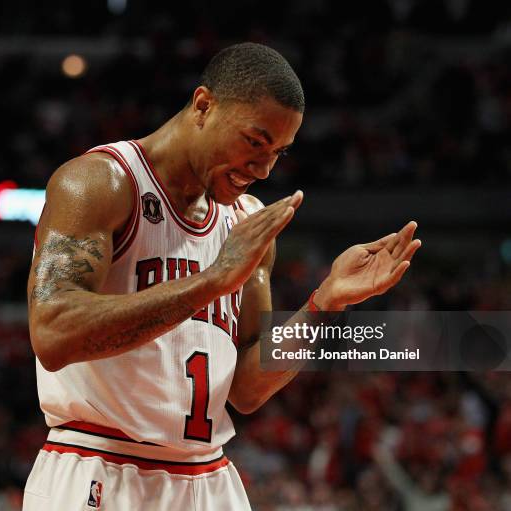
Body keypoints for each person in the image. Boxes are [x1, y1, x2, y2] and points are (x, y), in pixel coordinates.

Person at [23, 42, 421, 510]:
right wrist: (211, 281)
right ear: (203, 105)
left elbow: (248, 389)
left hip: (208, 478)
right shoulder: (100, 183)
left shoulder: (247, 222)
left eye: (279, 152)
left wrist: (324, 304)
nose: (264, 168)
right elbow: (52, 332)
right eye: (254, 142)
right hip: (97, 464)